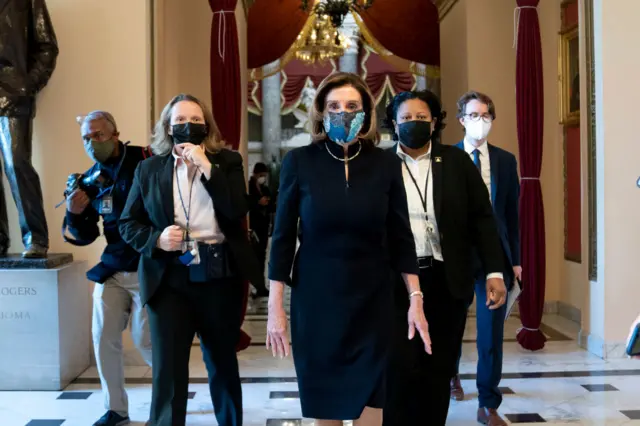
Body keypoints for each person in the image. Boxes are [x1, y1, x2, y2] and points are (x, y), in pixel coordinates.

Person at [266, 72, 430, 426]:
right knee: (327, 405)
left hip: (374, 301)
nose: (343, 112)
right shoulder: (300, 162)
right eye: (334, 106)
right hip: (317, 301)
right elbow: (281, 239)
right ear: (322, 114)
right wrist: (275, 306)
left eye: (352, 106)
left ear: (366, 112)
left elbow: (401, 235)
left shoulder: (387, 162)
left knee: (373, 402)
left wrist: (415, 300)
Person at [119, 94, 262, 426]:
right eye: (181, 120)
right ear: (168, 127)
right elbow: (128, 222)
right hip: (168, 279)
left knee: (222, 364)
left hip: (217, 274)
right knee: (168, 370)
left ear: (207, 126)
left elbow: (237, 210)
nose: (188, 126)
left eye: (196, 120)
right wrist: (156, 239)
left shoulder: (227, 161)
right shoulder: (148, 168)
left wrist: (206, 165)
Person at [382, 90, 506, 426]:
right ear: (394, 123)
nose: (414, 124)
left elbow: (482, 217)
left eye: (421, 118)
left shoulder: (455, 162)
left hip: (447, 280)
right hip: (397, 285)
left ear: (435, 122)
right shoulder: (380, 164)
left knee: (437, 369)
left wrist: (494, 271)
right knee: (399, 368)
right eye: (406, 118)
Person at [64, 111, 153, 426]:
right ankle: (116, 409)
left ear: (116, 135)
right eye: (86, 138)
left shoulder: (145, 159)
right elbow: (84, 235)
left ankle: (170, 394)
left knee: (145, 339)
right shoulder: (88, 179)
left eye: (98, 136)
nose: (92, 143)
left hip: (148, 262)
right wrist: (75, 213)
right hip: (113, 266)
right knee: (103, 336)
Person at [449, 91, 521, 426]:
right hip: (455, 257)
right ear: (462, 119)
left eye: (486, 115)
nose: (481, 121)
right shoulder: (446, 158)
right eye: (474, 115)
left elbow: (511, 214)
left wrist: (515, 259)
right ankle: (450, 375)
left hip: (494, 256)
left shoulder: (505, 161)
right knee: (450, 323)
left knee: (491, 331)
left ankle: (488, 403)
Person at [0, 0, 58, 258]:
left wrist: (27, 86)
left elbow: (47, 46)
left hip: (14, 93)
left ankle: (35, 238)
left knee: (17, 163)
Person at [248, 162, 273, 297]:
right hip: (254, 227)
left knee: (261, 257)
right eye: (261, 175)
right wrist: (258, 203)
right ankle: (256, 286)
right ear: (256, 174)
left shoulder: (264, 188)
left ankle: (261, 286)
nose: (263, 178)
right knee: (254, 257)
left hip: (263, 227)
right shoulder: (249, 187)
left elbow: (271, 205)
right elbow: (248, 203)